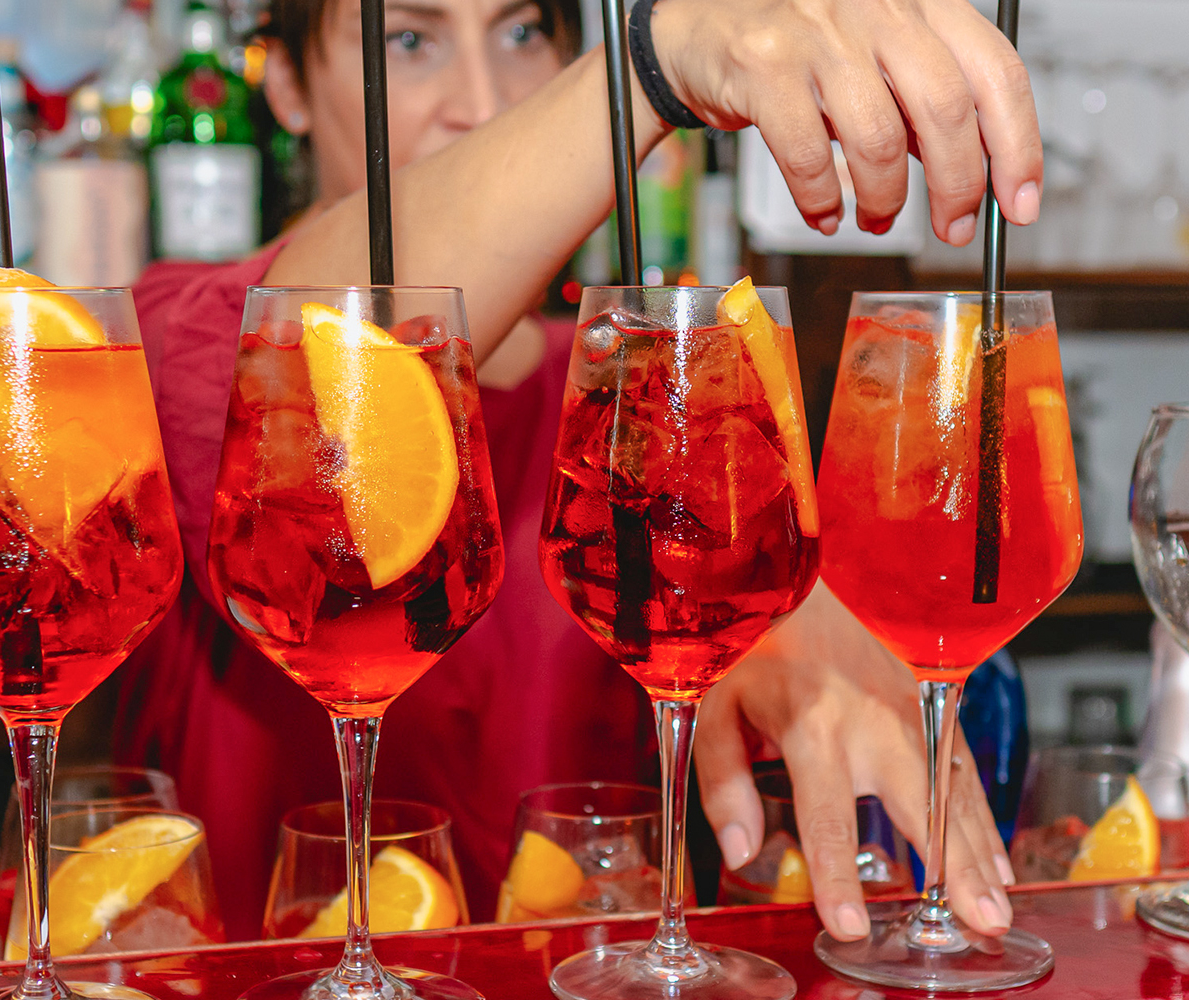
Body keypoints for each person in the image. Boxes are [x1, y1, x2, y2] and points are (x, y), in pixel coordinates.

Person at [117, 0, 1039, 941]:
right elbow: (285, 381)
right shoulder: (182, 339)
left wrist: (766, 622)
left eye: (522, 35)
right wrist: (654, 63)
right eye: (409, 41)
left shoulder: (630, 396)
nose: (481, 102)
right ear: (285, 87)